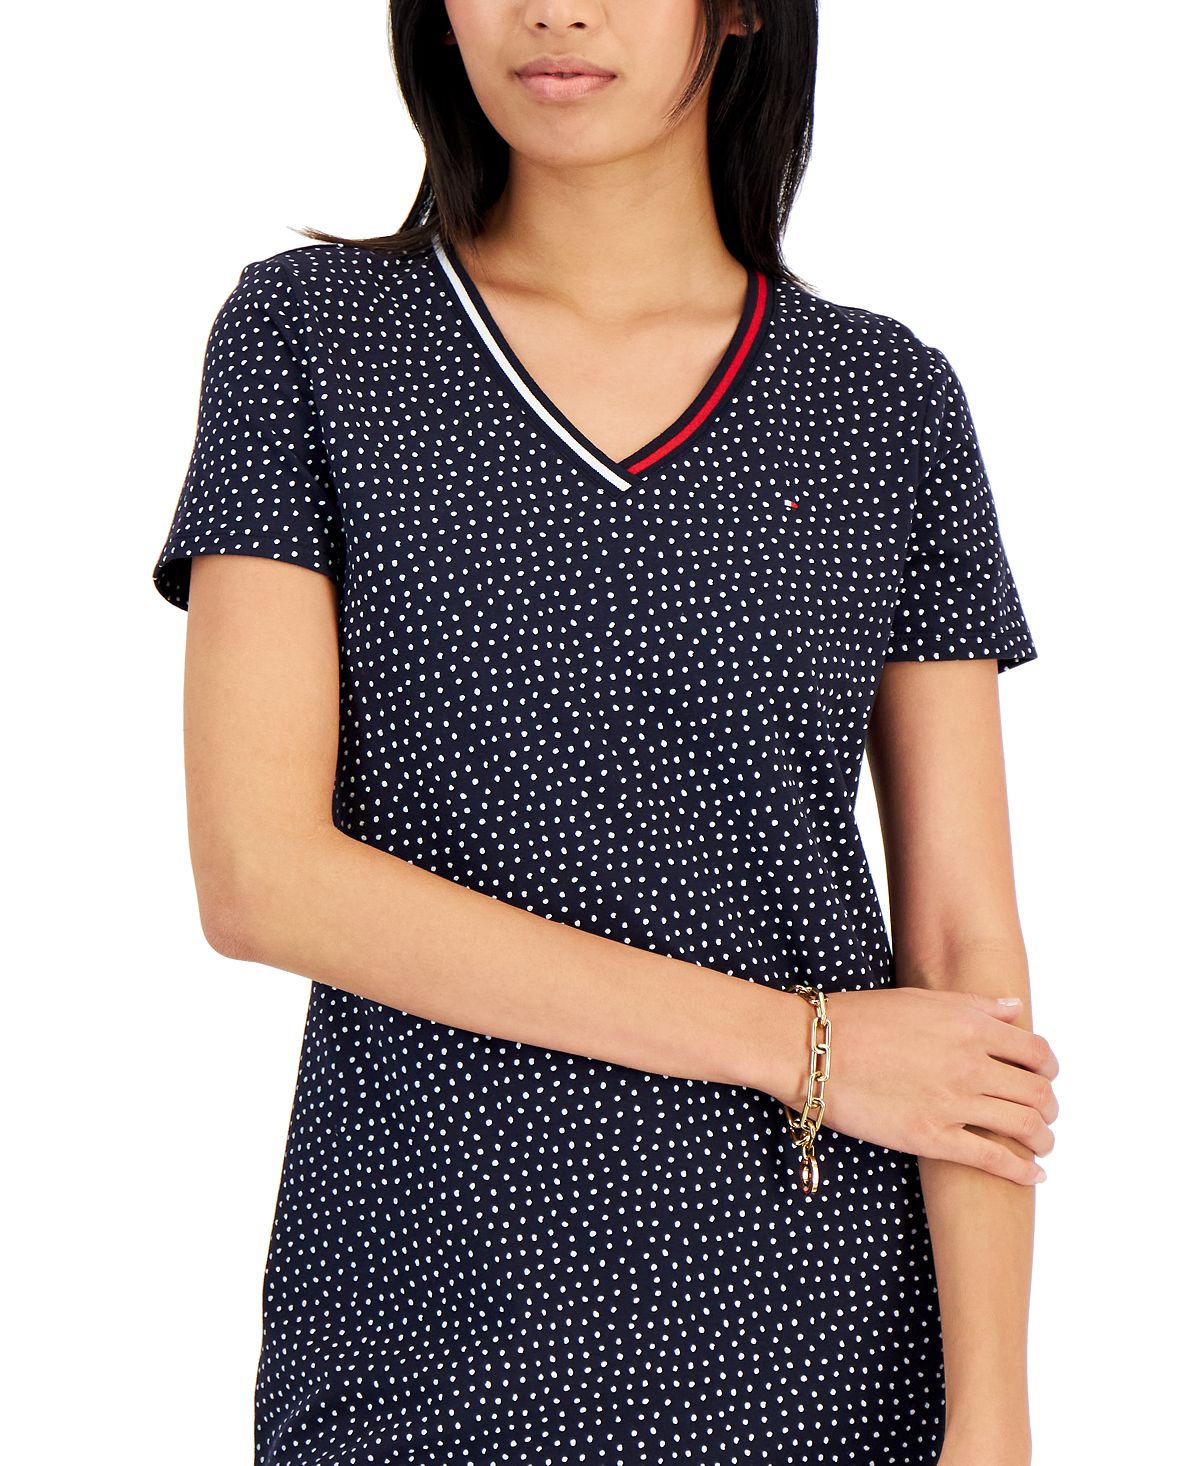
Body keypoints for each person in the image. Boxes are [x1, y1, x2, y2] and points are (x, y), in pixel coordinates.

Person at [151, 2, 1060, 1462]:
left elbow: (962, 956)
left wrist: (995, 1415)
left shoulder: (884, 403)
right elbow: (261, 878)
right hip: (418, 1326)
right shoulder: (312, 339)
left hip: (818, 1333)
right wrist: (806, 1045)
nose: (555, 9)